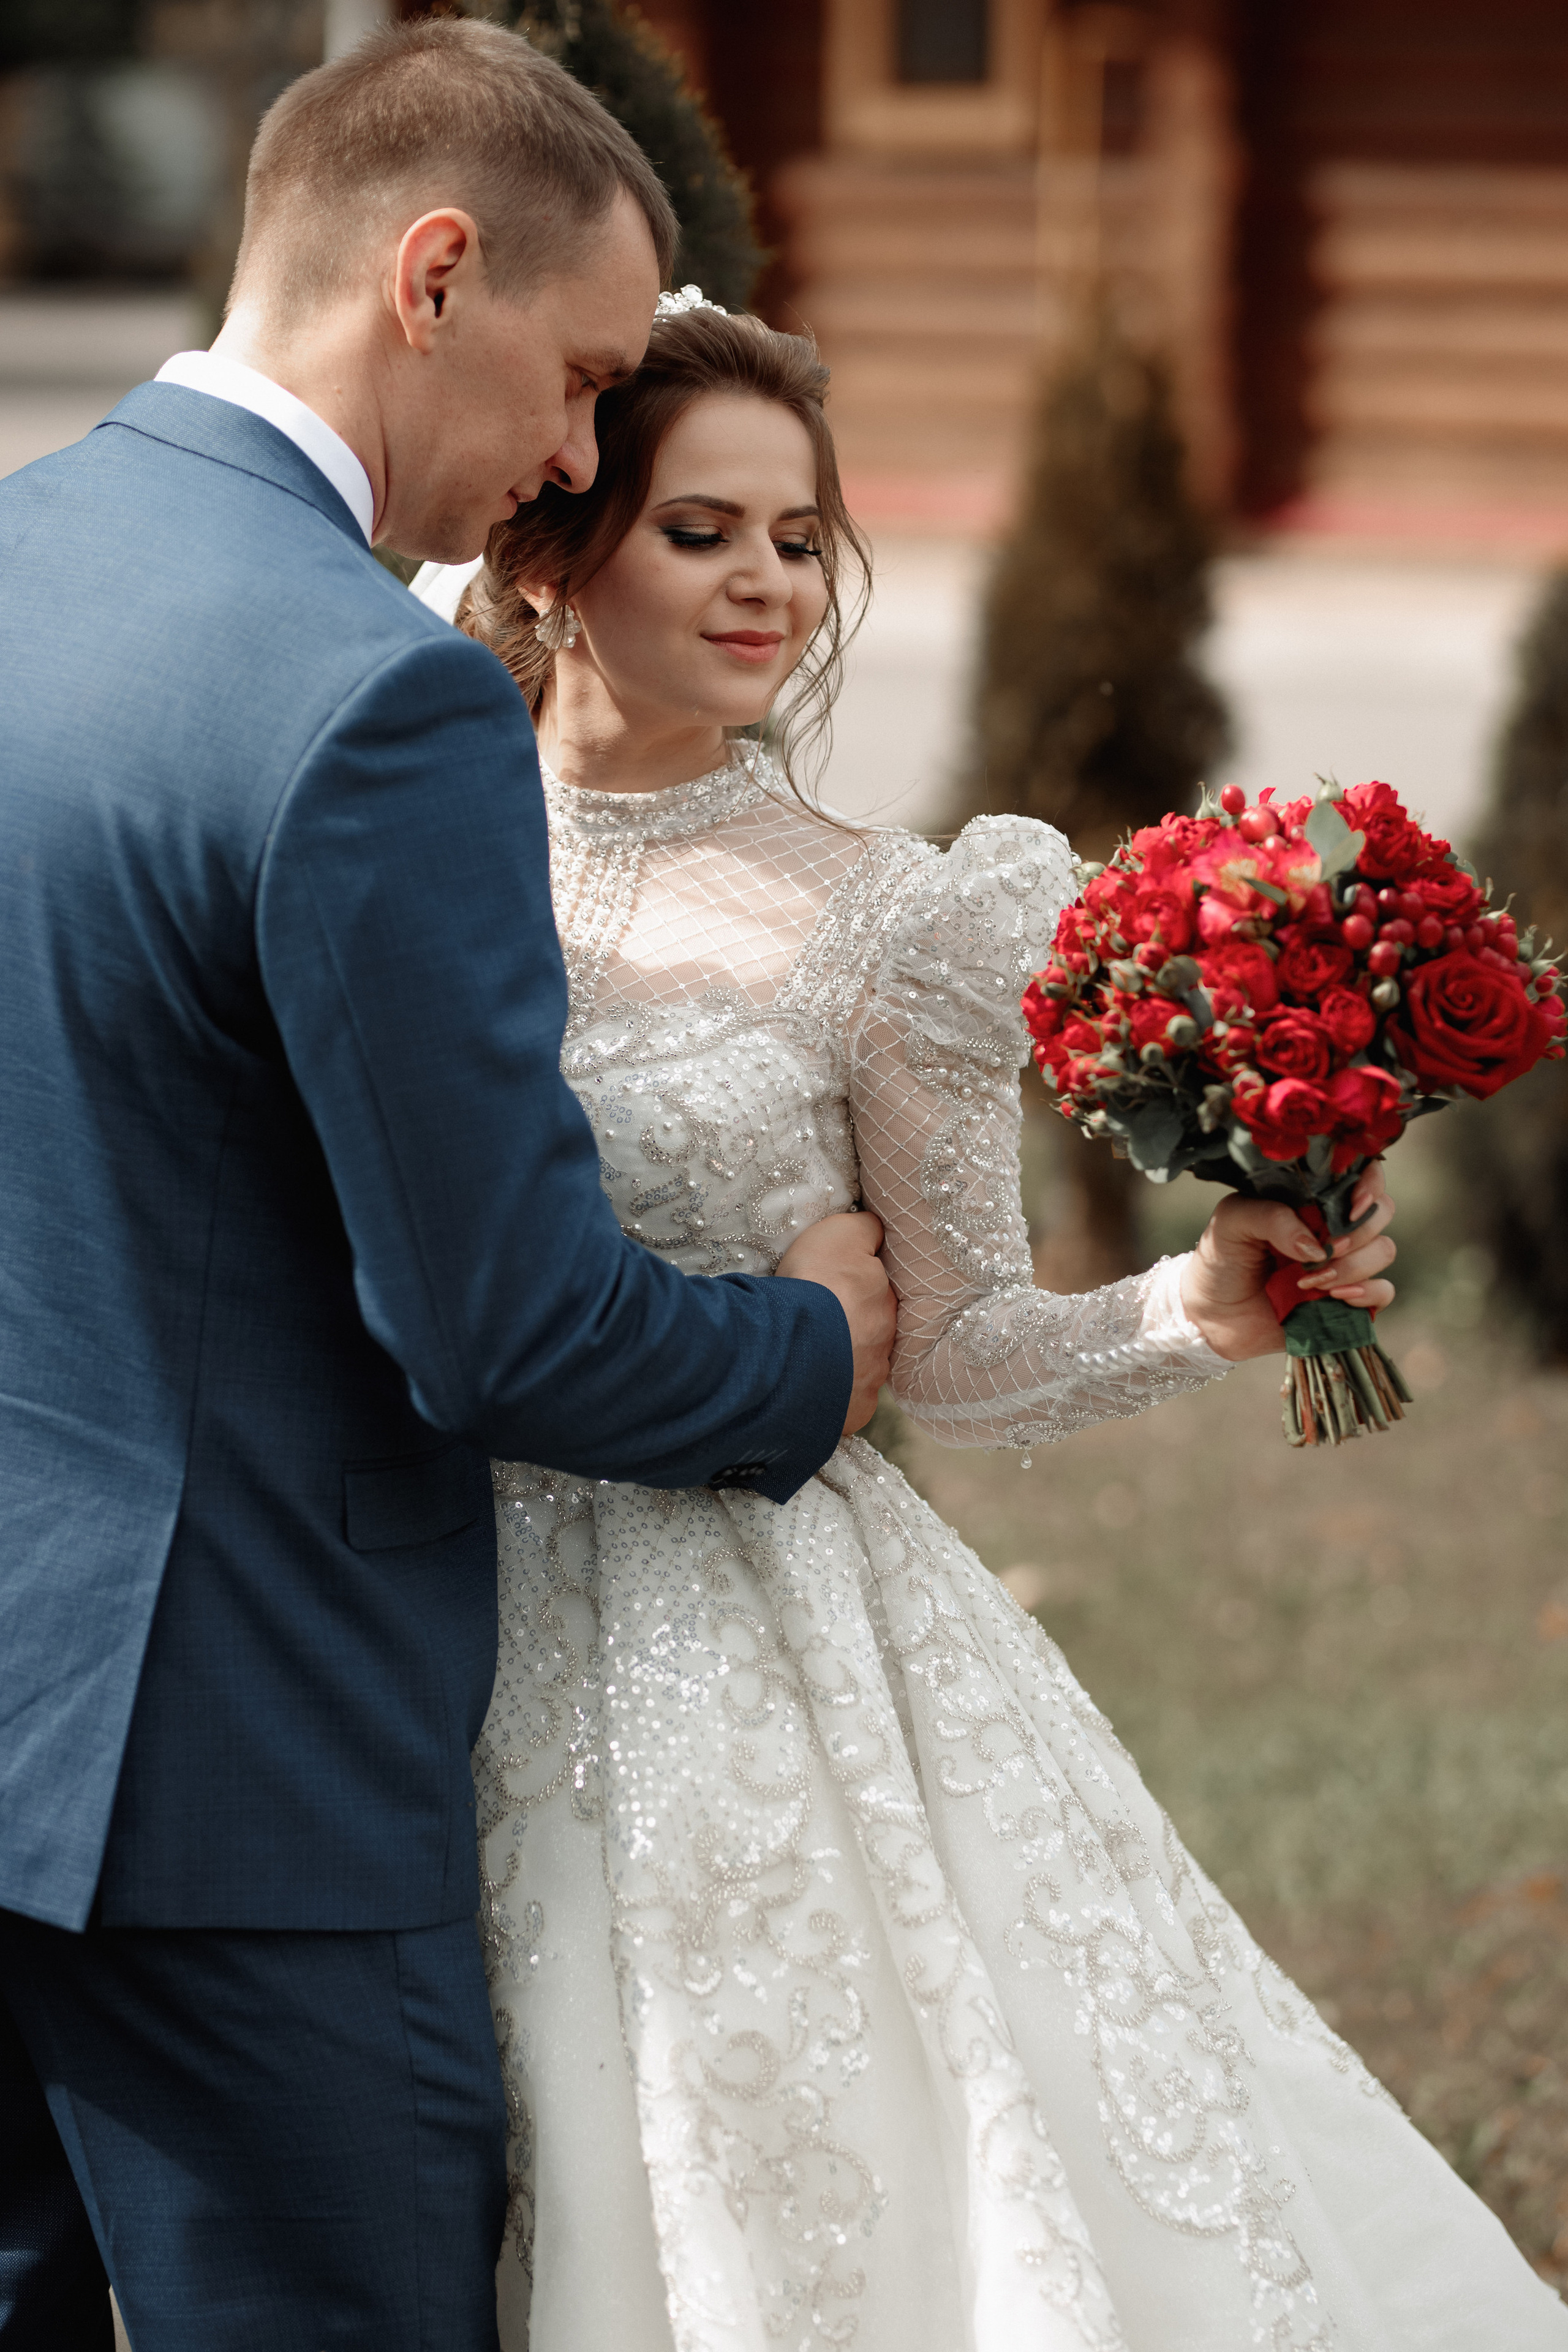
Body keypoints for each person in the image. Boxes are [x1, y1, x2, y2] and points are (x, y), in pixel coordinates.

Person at [412, 298, 1568, 2351]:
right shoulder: (393, 845)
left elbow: (952, 1351)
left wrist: (1193, 1306)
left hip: (753, 1629)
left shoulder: (885, 920)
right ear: (545, 553)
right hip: (416, 1599)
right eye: (699, 531)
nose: (767, 580)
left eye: (797, 536)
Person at [0, 24, 897, 2351]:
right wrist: (810, 1340)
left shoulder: (20, 554)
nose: (577, 457)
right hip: (244, 1803)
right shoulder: (369, 699)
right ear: (430, 279)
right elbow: (503, 1325)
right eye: (582, 373)